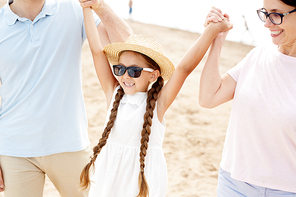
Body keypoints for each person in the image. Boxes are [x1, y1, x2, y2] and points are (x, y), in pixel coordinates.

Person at [79, 6, 232, 197]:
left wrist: (211, 31)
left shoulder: (158, 104)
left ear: (153, 76)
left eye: (134, 71)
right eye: (120, 69)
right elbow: (96, 51)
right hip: (108, 178)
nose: (125, 76)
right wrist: (86, 6)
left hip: (142, 181)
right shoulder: (113, 93)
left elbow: (184, 68)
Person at [0, 0, 132, 196]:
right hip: (14, 149)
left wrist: (100, 6)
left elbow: (129, 46)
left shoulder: (73, 8)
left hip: (69, 143)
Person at [200, 1, 296, 196]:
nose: (267, 24)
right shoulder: (258, 56)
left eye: (276, 15)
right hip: (233, 183)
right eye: (265, 13)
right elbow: (209, 97)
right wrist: (217, 39)